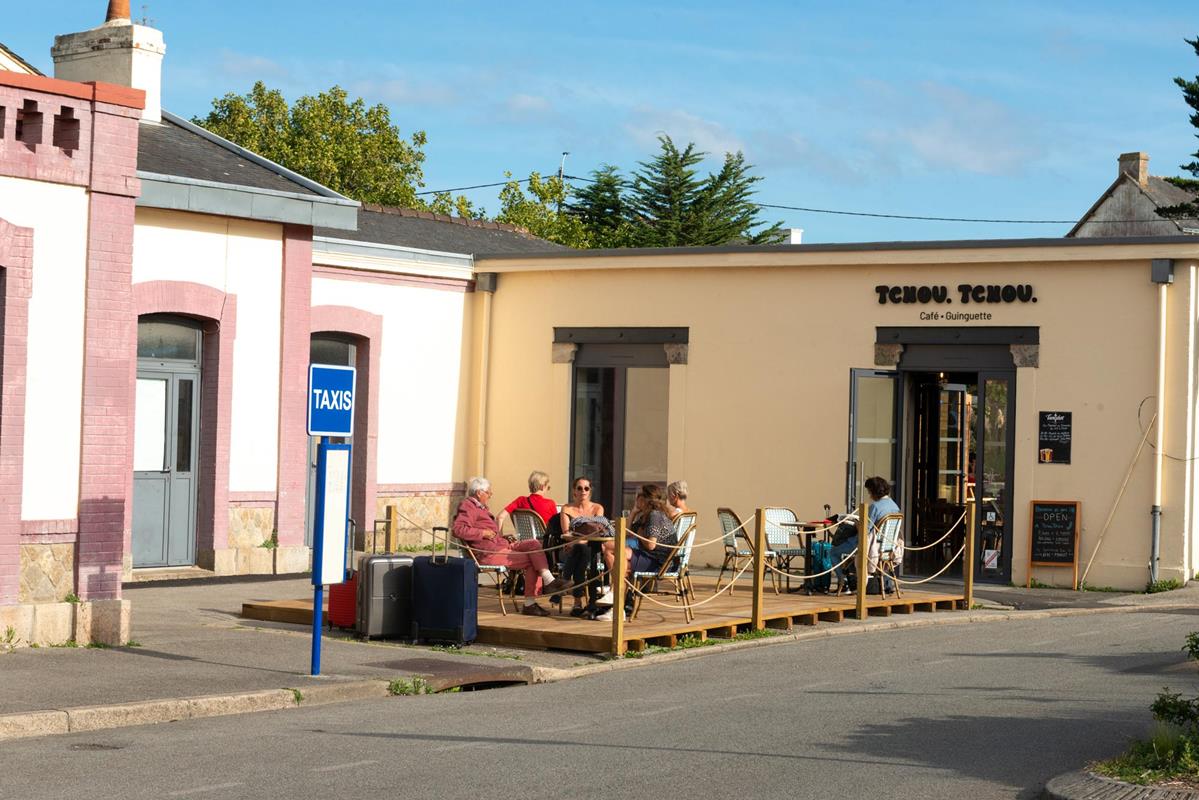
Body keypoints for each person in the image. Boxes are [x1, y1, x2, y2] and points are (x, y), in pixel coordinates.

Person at [452, 476, 570, 616]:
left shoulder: (479, 507)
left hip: (501, 546)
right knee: (533, 560)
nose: (490, 495)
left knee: (534, 544)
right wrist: (482, 532)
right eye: (489, 492)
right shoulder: (468, 506)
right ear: (479, 493)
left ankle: (548, 581)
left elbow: (498, 520)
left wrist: (501, 537)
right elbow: (458, 529)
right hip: (488, 553)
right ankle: (531, 602)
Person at [597, 484, 677, 619]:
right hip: (651, 556)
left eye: (638, 496)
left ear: (645, 499)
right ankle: (616, 607)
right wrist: (634, 512)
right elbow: (627, 534)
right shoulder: (646, 515)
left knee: (610, 549)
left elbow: (651, 545)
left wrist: (640, 535)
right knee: (616, 556)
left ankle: (614, 592)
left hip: (661, 562)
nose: (636, 498)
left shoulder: (655, 516)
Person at [831, 476, 901, 594]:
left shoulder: (875, 507)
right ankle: (884, 585)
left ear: (874, 491)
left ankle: (845, 584)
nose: (869, 495)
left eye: (869, 491)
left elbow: (865, 530)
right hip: (888, 547)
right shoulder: (894, 506)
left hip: (870, 546)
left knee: (833, 552)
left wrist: (857, 523)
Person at [557, 477, 607, 617]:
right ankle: (591, 602)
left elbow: (597, 532)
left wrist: (577, 542)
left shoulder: (597, 508)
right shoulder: (567, 508)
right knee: (583, 552)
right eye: (579, 488)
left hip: (589, 548)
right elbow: (566, 533)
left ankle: (577, 601)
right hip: (571, 549)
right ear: (574, 491)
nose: (583, 491)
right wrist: (576, 542)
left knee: (584, 552)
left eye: (586, 488)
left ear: (590, 491)